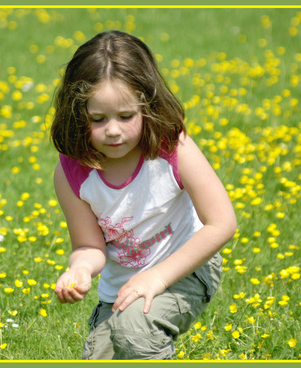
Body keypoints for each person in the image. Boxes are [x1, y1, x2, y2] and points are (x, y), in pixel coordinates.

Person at [49, 30, 237, 360]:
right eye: (98, 119)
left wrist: (157, 277)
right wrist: (79, 269)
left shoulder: (171, 149)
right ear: (78, 114)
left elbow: (222, 223)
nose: (113, 130)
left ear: (147, 105)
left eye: (126, 116)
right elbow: (89, 246)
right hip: (121, 289)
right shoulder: (72, 173)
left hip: (187, 266)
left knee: (134, 330)